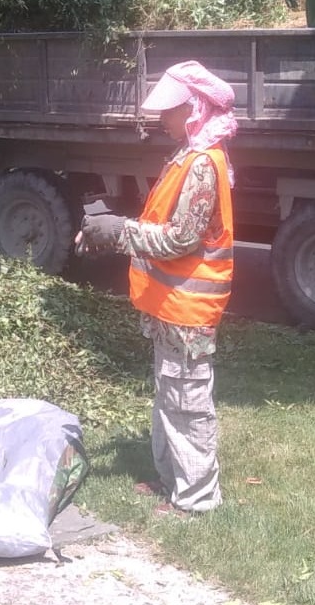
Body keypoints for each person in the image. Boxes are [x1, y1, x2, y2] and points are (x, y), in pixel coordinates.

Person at [75, 60, 236, 517]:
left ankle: (196, 498)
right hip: (172, 304)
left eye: (170, 109)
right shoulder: (188, 153)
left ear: (195, 108)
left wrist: (117, 232)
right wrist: (114, 230)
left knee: (187, 401)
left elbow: (182, 238)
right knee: (171, 394)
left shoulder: (202, 163)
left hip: (189, 308)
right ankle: (171, 479)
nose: (161, 118)